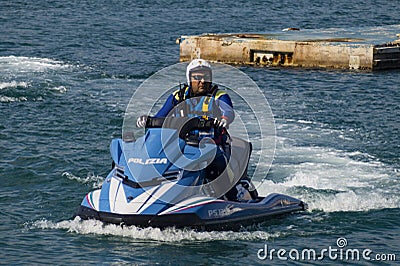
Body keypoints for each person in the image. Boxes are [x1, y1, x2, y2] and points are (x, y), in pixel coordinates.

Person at [136, 59, 253, 201]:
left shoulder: (219, 95)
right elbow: (161, 116)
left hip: (213, 145)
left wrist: (224, 120)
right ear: (189, 79)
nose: (202, 81)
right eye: (197, 77)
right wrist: (147, 120)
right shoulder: (178, 96)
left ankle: (233, 198)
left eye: (206, 77)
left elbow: (228, 112)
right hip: (183, 145)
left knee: (217, 165)